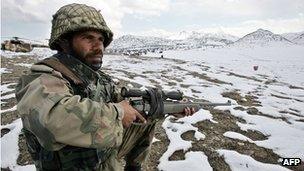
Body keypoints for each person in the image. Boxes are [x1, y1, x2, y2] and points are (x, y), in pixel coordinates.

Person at [15, 3, 195, 171]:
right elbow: (51, 121)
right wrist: (119, 113)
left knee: (146, 119)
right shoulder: (43, 76)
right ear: (63, 42)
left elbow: (119, 99)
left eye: (101, 40)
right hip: (72, 165)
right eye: (88, 38)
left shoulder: (94, 77)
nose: (98, 46)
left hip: (98, 154)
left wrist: (163, 108)